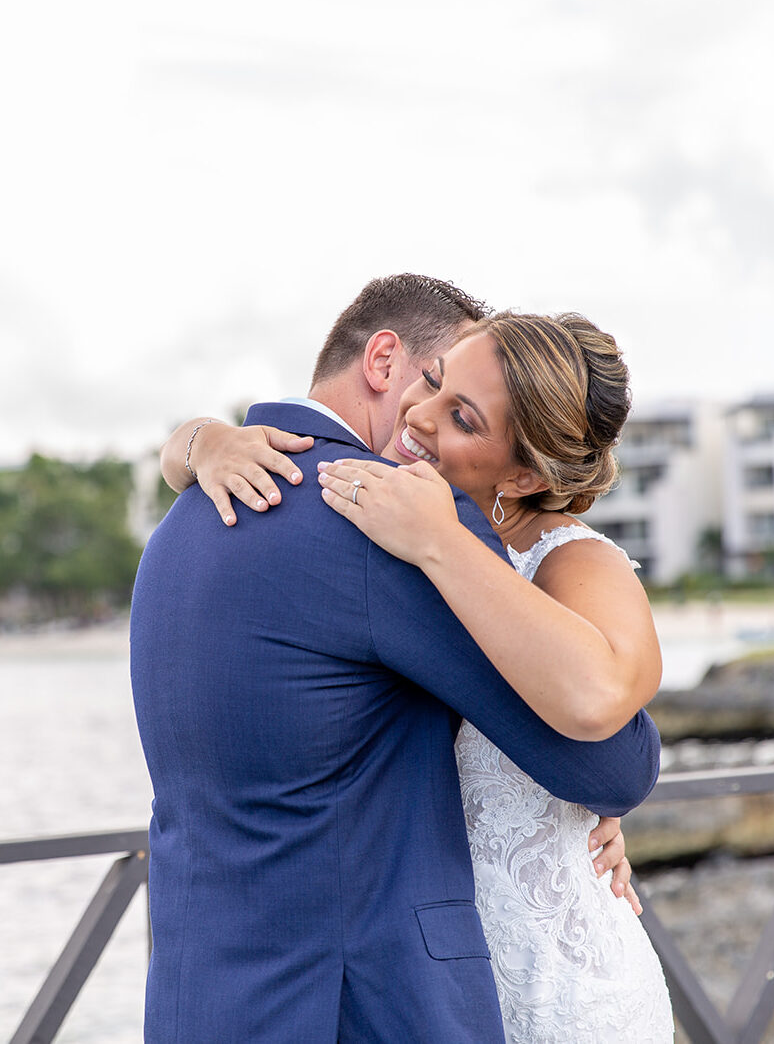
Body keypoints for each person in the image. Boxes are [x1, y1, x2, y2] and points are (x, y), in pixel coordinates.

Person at [133, 274, 661, 1043]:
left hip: (198, 1000)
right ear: (383, 361)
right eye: (436, 381)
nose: (422, 420)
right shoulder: (382, 522)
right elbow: (610, 762)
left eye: (462, 413)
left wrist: (193, 440)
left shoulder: (182, 522)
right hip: (353, 1007)